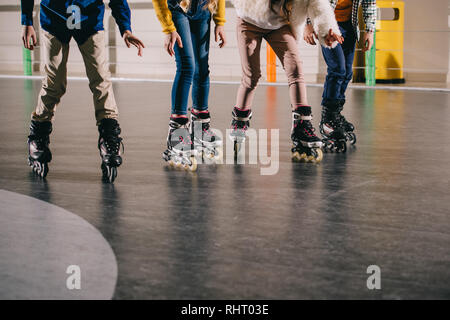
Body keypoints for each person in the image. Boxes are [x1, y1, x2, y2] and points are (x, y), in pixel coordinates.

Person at [21, 0, 145, 182]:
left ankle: (109, 136)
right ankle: (38, 136)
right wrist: (27, 21)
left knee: (101, 79)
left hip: (89, 18)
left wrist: (126, 28)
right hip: (54, 17)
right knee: (54, 82)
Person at [230, 0, 343, 163]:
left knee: (296, 69)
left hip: (279, 25)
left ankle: (302, 125)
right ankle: (240, 120)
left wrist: (326, 31)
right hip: (249, 21)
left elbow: (318, 4)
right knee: (251, 76)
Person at [152, 0, 226, 171]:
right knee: (187, 66)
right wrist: (168, 28)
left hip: (203, 8)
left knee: (202, 68)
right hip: (177, 9)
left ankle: (200, 127)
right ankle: (177, 134)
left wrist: (220, 21)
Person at [304, 0, 376, 152]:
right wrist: (308, 24)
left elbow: (369, 3)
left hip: (348, 26)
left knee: (347, 73)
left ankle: (335, 114)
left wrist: (369, 32)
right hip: (326, 25)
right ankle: (328, 120)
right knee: (337, 69)